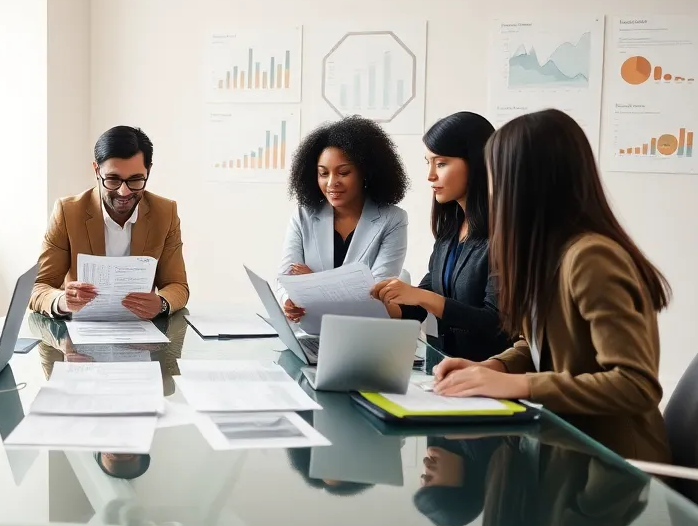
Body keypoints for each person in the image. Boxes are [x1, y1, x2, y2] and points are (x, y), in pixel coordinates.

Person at [432, 109, 672, 463]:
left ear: (527, 184)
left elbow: (635, 385)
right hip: (565, 445)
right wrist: (494, 368)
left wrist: (520, 385)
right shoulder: (547, 253)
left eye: (495, 178)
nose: (490, 191)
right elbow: (536, 347)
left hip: (612, 465)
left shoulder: (591, 258)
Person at [371, 112, 513, 361]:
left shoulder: (505, 234)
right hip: (446, 366)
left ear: (476, 163)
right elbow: (420, 304)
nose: (430, 175)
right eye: (428, 163)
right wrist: (384, 305)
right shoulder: (450, 232)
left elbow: (495, 321)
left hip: (488, 370)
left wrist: (423, 297)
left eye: (441, 163)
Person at [30, 125, 189, 320]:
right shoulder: (68, 212)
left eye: (135, 180)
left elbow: (177, 285)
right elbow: (39, 286)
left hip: (140, 329)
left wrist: (162, 303)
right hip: (81, 330)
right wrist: (62, 301)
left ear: (148, 171)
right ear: (97, 171)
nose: (124, 192)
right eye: (113, 179)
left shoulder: (165, 212)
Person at [279, 116, 409, 323]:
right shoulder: (302, 216)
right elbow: (286, 280)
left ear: (364, 172)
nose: (332, 183)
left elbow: (375, 294)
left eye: (344, 172)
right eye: (323, 173)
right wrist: (289, 301)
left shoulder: (393, 220)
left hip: (361, 331)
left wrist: (314, 282)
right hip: (309, 329)